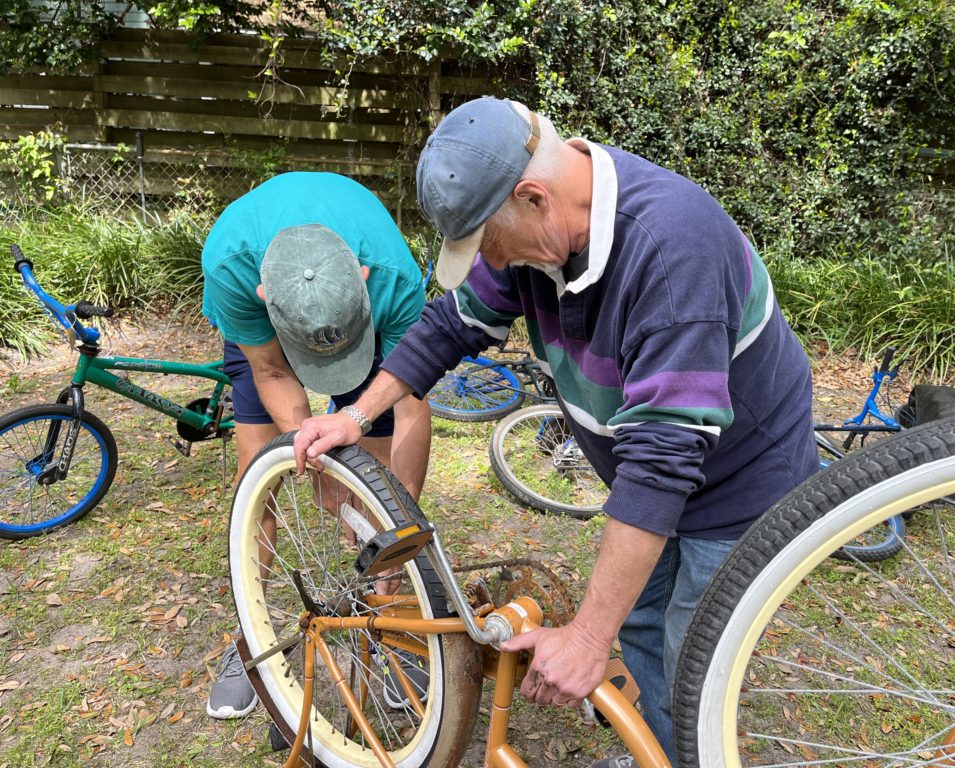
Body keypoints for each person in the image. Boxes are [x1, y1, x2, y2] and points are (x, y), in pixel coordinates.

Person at [291, 98, 817, 766]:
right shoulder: (538, 233)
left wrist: (587, 639)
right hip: (649, 464)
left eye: (488, 244)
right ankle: (656, 746)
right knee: (647, 617)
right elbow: (450, 326)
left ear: (533, 197)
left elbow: (664, 461)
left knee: (699, 653)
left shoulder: (671, 252)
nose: (492, 260)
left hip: (743, 475)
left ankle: (691, 752)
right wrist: (356, 414)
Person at [200, 171, 432, 720]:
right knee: (259, 472)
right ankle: (251, 639)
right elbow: (272, 372)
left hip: (366, 326)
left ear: (363, 274)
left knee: (378, 488)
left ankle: (389, 622)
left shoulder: (394, 281)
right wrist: (312, 452)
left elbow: (412, 411)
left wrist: (397, 521)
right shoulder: (233, 268)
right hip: (267, 340)